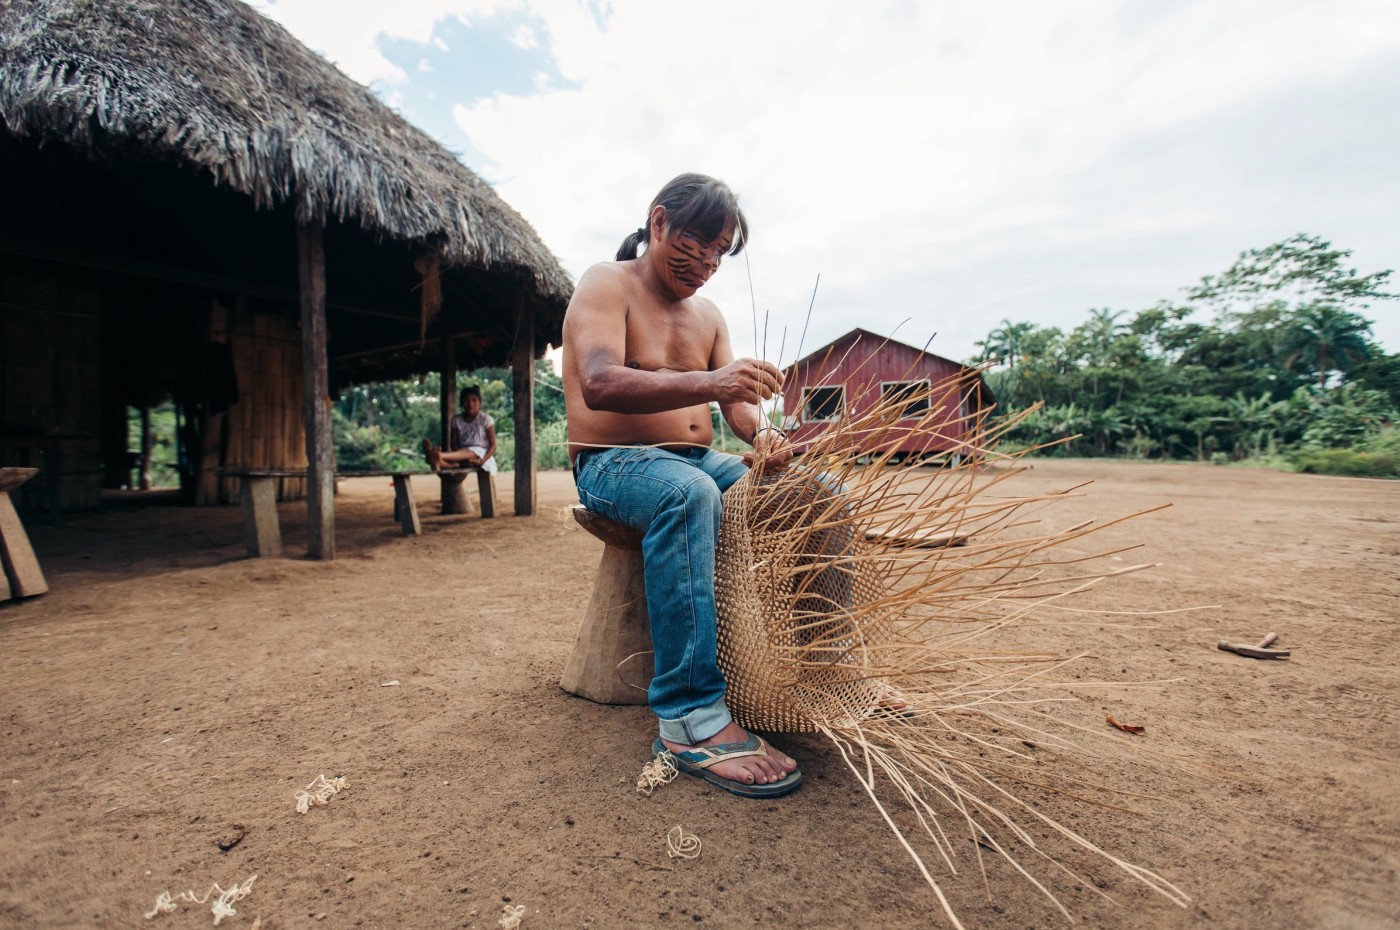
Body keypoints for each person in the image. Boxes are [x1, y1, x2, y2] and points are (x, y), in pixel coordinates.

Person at [562, 173, 803, 798]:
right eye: (697, 242)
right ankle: (689, 718)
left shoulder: (710, 315)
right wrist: (715, 382)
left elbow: (737, 406)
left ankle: (828, 669)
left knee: (816, 492)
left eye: (721, 251)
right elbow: (599, 382)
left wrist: (762, 438)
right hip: (615, 463)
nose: (707, 262)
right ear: (659, 222)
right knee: (686, 493)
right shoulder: (606, 284)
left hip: (696, 458)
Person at [423, 385, 498, 472]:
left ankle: (438, 455)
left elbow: (493, 445)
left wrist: (482, 460)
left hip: (480, 454)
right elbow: (453, 443)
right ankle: (437, 460)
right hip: (460, 453)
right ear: (461, 403)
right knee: (454, 463)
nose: (470, 404)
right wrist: (461, 457)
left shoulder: (486, 419)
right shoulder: (456, 419)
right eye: (466, 401)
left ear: (479, 402)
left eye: (474, 400)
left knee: (466, 452)